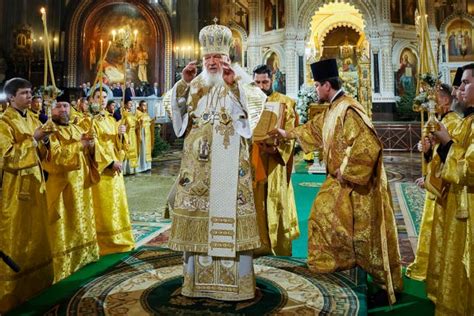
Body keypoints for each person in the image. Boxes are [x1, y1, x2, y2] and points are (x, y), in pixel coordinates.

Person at [269, 59, 403, 304]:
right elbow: (314, 130)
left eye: (318, 85)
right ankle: (339, 266)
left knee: (368, 235)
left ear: (327, 85)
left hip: (359, 185)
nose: (316, 90)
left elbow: (368, 144)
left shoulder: (349, 109)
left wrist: (346, 170)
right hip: (341, 180)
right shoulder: (333, 108)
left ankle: (385, 289)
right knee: (324, 217)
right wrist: (287, 134)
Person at [167, 22, 260, 301]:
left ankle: (238, 286)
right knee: (198, 222)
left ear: (228, 58)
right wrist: (182, 84)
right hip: (197, 174)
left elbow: (251, 118)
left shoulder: (242, 81)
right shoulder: (195, 85)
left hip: (230, 171)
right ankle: (196, 284)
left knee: (229, 221)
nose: (212, 62)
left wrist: (233, 87)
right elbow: (179, 120)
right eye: (208, 58)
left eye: (217, 58)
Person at [0, 78, 54, 313]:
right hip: (15, 188)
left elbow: (42, 151)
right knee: (17, 232)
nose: (29, 96)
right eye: (24, 93)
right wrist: (33, 139)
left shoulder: (32, 117)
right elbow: (7, 157)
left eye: (31, 92)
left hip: (36, 184)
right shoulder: (3, 123)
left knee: (36, 231)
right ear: (11, 97)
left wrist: (45, 141)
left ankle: (37, 284)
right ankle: (12, 292)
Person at [406, 83, 461, 286]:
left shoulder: (454, 122)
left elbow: (453, 156)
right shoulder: (441, 121)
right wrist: (427, 150)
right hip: (437, 185)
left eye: (435, 97)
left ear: (446, 100)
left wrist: (430, 177)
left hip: (446, 188)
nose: (432, 102)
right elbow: (437, 155)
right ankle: (432, 269)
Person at [42, 95, 100, 283]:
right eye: (57, 106)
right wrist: (80, 145)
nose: (62, 110)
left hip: (81, 184)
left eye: (65, 105)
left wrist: (91, 146)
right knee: (64, 224)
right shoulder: (48, 131)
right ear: (50, 109)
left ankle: (84, 256)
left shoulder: (77, 127)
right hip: (62, 185)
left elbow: (89, 153)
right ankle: (64, 264)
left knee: (81, 218)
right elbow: (53, 159)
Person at [431, 63, 474, 315]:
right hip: (460, 202)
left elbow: (469, 168)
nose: (460, 89)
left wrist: (447, 142)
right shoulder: (467, 119)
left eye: (466, 83)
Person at [251, 64, 299, 256]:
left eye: (265, 82)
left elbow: (291, 133)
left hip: (275, 163)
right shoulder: (249, 103)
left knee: (275, 201)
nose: (261, 86)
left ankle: (278, 248)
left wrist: (275, 148)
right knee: (255, 203)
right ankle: (257, 245)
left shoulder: (286, 103)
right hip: (253, 159)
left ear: (273, 80)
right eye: (257, 82)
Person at [89, 89, 135, 255]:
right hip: (101, 167)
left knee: (117, 203)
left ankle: (118, 239)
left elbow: (122, 145)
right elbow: (93, 144)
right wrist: (109, 163)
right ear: (91, 99)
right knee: (102, 205)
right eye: (98, 97)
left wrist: (121, 135)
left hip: (115, 164)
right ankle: (103, 242)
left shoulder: (111, 119)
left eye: (104, 97)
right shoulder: (89, 120)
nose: (102, 100)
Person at [121, 100, 139, 175]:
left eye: (131, 104)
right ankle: (126, 169)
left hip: (133, 134)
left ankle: (132, 169)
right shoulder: (123, 114)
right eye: (129, 103)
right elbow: (122, 125)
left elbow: (135, 124)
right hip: (127, 134)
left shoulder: (131, 114)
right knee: (127, 149)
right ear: (125, 104)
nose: (131, 105)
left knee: (133, 150)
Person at [136, 100, 154, 172]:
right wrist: (140, 123)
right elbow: (136, 123)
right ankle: (142, 166)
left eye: (146, 105)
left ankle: (147, 166)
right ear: (140, 106)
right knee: (142, 149)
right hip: (142, 133)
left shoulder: (146, 114)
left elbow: (148, 122)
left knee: (147, 149)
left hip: (147, 134)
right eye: (143, 105)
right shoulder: (138, 113)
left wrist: (152, 121)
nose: (145, 107)